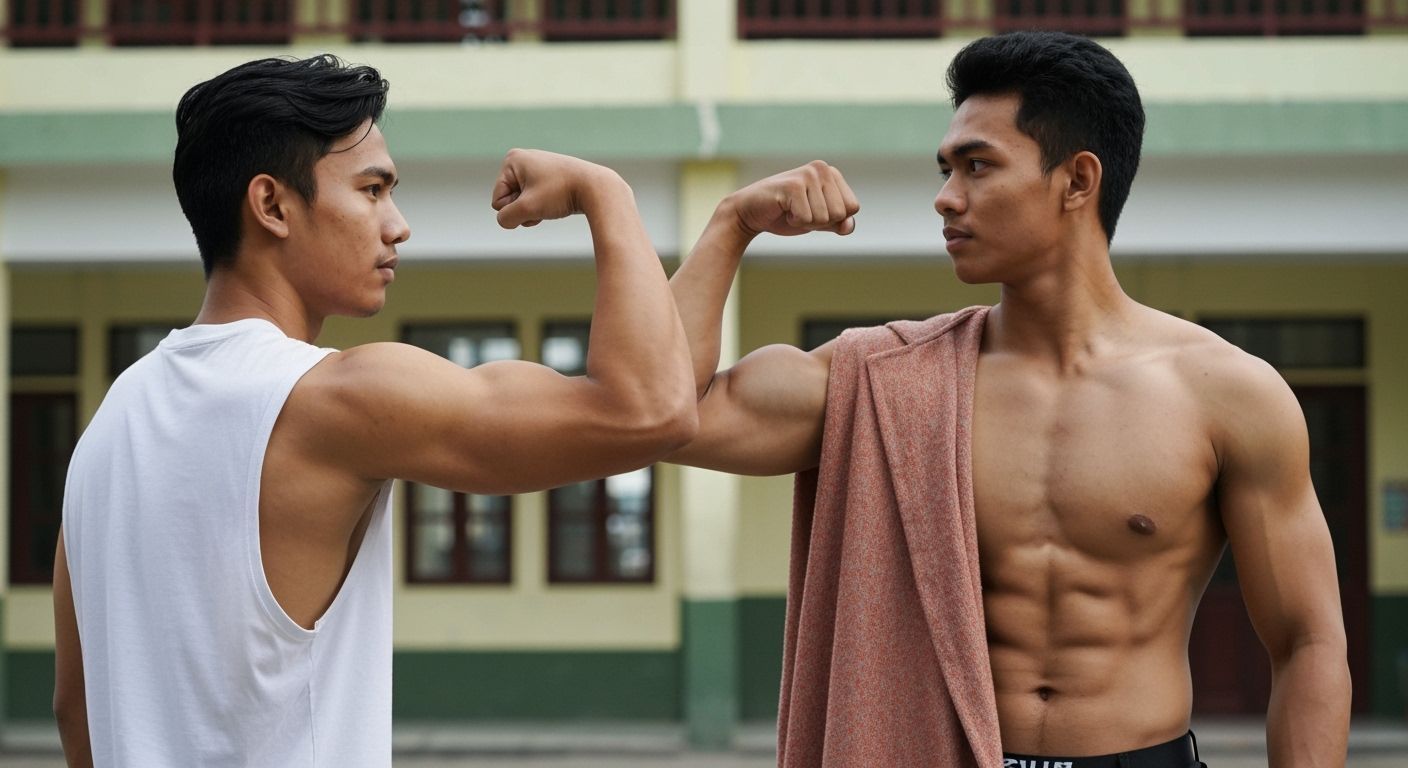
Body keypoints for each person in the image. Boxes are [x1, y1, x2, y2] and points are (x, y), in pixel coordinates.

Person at [668, 31, 1350, 768]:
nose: (945, 196)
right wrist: (730, 225)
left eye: (978, 166)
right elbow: (668, 411)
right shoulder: (886, 378)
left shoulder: (1226, 394)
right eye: (946, 168)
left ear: (1077, 180)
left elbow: (1308, 643)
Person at [51, 55, 696, 767]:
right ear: (272, 206)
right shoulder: (335, 397)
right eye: (372, 190)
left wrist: (725, 227)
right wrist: (606, 192)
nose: (398, 226)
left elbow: (77, 710)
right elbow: (649, 411)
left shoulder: (108, 427)